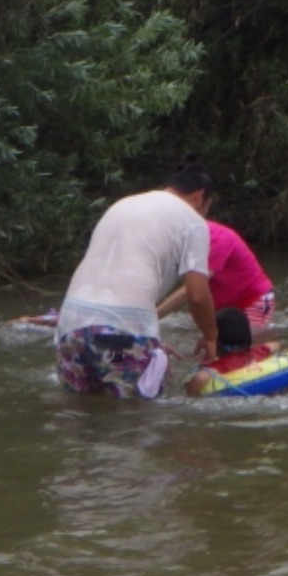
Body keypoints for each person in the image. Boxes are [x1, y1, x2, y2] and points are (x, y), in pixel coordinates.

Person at [55, 165, 218, 400]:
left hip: (69, 327)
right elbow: (197, 295)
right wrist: (211, 336)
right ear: (200, 196)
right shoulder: (192, 221)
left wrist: (150, 338)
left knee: (80, 412)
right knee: (137, 417)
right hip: (121, 333)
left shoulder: (121, 205)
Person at [160, 219, 276, 332]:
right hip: (221, 305)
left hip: (252, 298)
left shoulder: (216, 239)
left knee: (244, 343)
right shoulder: (182, 240)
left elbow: (193, 290)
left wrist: (154, 315)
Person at [183, 307, 280, 394]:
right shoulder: (257, 352)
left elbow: (200, 378)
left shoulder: (217, 368)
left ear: (215, 340)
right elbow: (275, 345)